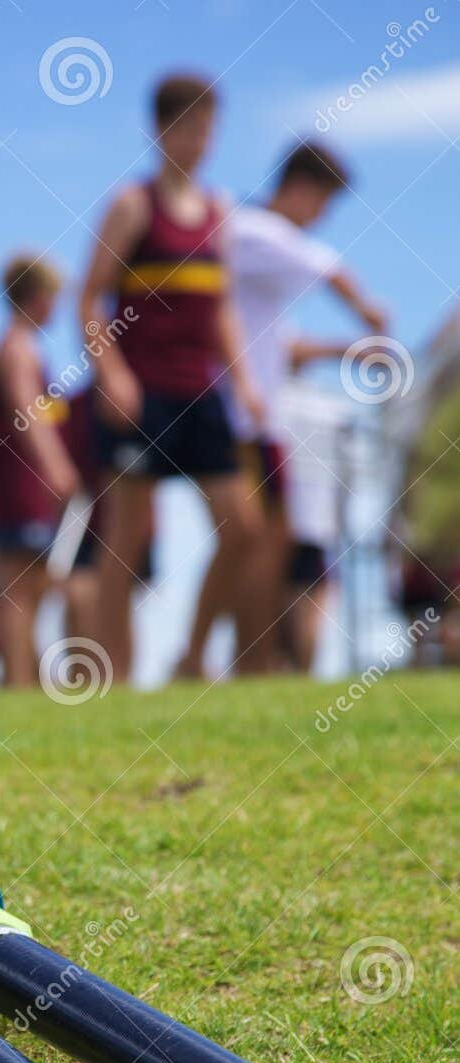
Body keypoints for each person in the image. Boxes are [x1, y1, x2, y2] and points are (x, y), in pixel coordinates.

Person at [78, 72, 264, 685]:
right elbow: (90, 300)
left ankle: (191, 657)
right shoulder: (132, 206)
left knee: (243, 529)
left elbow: (224, 308)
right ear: (159, 130)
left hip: (201, 393)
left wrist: (244, 382)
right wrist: (112, 375)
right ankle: (116, 681)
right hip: (144, 397)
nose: (198, 140)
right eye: (186, 127)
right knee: (126, 539)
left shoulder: (220, 211)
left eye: (208, 128)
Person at [179, 141, 388, 675]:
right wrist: (368, 311)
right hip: (235, 416)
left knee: (267, 542)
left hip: (261, 420)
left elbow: (280, 343)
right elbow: (325, 267)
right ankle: (201, 659)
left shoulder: (259, 266)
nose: (321, 219)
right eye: (323, 204)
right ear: (301, 188)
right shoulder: (249, 229)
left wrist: (344, 349)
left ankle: (250, 662)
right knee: (249, 538)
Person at [0, 254, 80, 686]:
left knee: (32, 583)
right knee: (21, 587)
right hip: (23, 483)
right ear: (39, 298)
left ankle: (28, 677)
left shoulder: (14, 345)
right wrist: (56, 466)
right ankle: (20, 680)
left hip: (19, 482)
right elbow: (28, 411)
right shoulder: (18, 348)